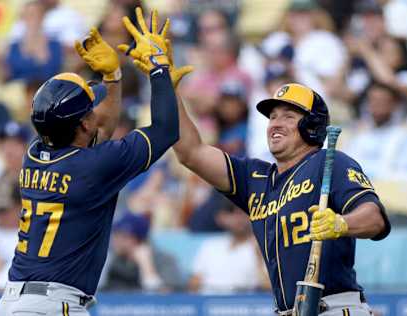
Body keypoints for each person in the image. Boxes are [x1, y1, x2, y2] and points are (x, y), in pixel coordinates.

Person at [0, 8, 184, 315]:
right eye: (90, 109)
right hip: (51, 305)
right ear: (83, 123)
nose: (96, 112)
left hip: (17, 300)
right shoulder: (92, 165)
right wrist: (158, 68)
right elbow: (165, 130)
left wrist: (112, 78)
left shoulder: (34, 154)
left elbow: (100, 129)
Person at [167, 81, 391, 314]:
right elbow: (191, 153)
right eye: (272, 117)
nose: (275, 124)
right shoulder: (254, 178)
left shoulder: (329, 162)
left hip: (334, 307)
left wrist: (342, 223)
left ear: (311, 124)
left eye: (288, 117)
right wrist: (166, 87)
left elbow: (375, 219)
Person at [189, 203, 269, 293]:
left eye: (245, 211)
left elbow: (269, 287)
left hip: (242, 303)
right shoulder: (210, 245)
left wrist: (258, 258)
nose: (239, 217)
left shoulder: (263, 246)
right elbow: (193, 284)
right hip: (207, 301)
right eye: (232, 211)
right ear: (222, 217)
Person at [103, 212, 183, 292]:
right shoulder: (113, 259)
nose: (117, 241)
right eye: (116, 235)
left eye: (124, 237)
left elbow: (169, 298)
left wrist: (147, 268)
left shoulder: (165, 260)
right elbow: (99, 292)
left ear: (139, 240)